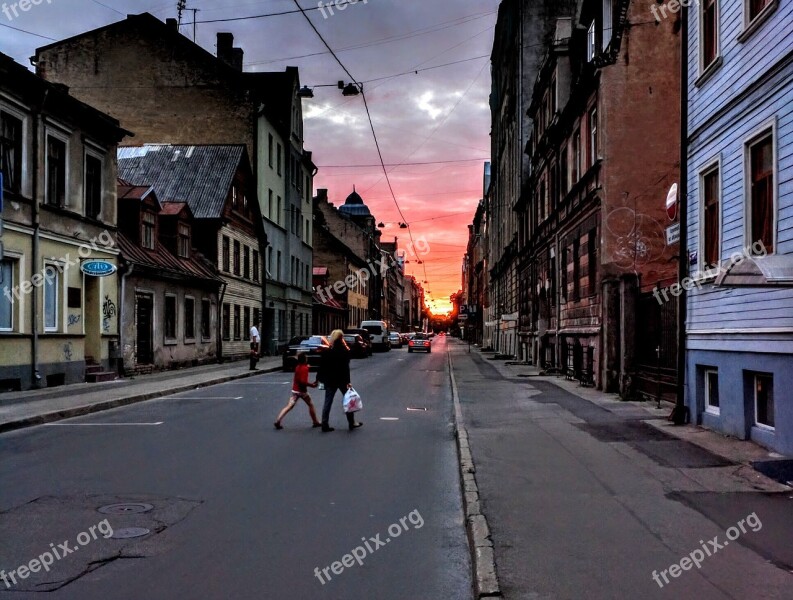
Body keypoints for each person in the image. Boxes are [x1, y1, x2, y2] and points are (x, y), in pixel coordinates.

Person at [317, 329, 362, 432]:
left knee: (327, 402)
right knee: (348, 400)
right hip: (342, 380)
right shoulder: (344, 351)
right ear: (341, 338)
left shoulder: (328, 351)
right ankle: (352, 423)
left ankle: (324, 424)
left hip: (330, 380)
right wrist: (348, 382)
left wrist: (319, 379)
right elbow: (346, 369)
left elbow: (322, 367)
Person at [274, 353, 321, 430]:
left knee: (289, 406)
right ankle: (315, 421)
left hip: (295, 390)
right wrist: (311, 385)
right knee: (310, 404)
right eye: (306, 358)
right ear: (304, 359)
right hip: (302, 391)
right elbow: (303, 381)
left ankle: (278, 420)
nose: (307, 358)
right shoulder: (305, 368)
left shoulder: (298, 367)